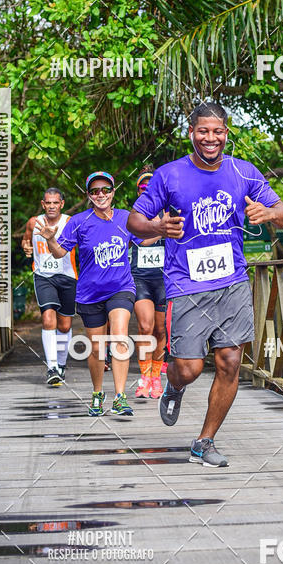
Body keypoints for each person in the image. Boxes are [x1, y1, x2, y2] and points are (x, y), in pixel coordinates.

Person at [127, 102, 283, 467]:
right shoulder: (169, 175)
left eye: (217, 131)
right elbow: (135, 221)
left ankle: (204, 441)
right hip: (186, 282)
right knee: (189, 368)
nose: (210, 138)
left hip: (232, 279)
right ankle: (173, 385)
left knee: (230, 361)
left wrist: (270, 214)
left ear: (226, 133)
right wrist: (157, 227)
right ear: (192, 133)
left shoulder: (243, 172)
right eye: (203, 131)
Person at [36, 171, 139, 418]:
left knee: (120, 337)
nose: (100, 194)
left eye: (105, 189)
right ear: (89, 195)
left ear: (113, 191)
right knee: (96, 348)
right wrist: (50, 240)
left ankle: (120, 397)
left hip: (121, 288)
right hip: (90, 293)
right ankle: (97, 394)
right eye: (95, 191)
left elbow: (146, 239)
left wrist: (166, 226)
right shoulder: (79, 221)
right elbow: (60, 253)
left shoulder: (126, 218)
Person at [22, 188, 77, 387]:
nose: (51, 206)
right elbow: (26, 239)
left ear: (62, 204)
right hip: (43, 276)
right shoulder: (33, 222)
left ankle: (61, 364)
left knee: (65, 325)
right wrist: (26, 247)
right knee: (47, 319)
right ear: (42, 204)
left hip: (67, 277)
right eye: (48, 203)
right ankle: (52, 367)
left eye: (55, 203)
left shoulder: (70, 222)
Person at [129, 169, 166, 400]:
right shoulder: (134, 216)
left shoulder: (169, 212)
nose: (147, 191)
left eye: (151, 187)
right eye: (143, 188)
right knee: (145, 326)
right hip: (140, 277)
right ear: (138, 191)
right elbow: (139, 241)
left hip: (164, 278)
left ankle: (156, 377)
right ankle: (143, 378)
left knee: (160, 330)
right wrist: (161, 229)